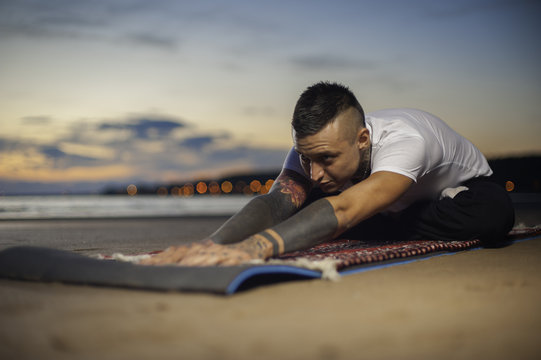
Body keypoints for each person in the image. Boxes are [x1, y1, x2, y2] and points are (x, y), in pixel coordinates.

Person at [141, 82, 515, 266]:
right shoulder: (311, 152)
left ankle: (388, 222)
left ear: (363, 139)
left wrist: (253, 248)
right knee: (305, 206)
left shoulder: (407, 140)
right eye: (307, 159)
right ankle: (385, 221)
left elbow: (346, 211)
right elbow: (275, 204)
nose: (315, 173)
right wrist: (215, 245)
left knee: (494, 215)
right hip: (382, 206)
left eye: (327, 158)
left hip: (458, 195)